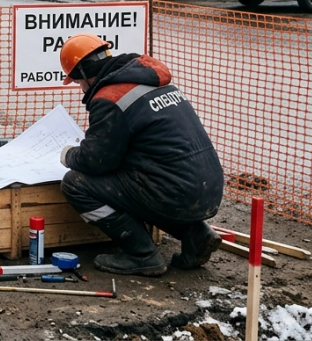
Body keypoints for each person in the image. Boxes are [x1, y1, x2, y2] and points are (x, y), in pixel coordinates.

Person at [56, 34, 224, 276]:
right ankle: (196, 234)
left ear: (84, 72)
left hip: (174, 193)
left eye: (76, 81)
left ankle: (142, 254)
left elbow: (97, 160)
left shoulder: (110, 97)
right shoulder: (152, 81)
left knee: (75, 184)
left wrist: (69, 155)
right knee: (141, 180)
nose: (80, 87)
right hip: (207, 187)